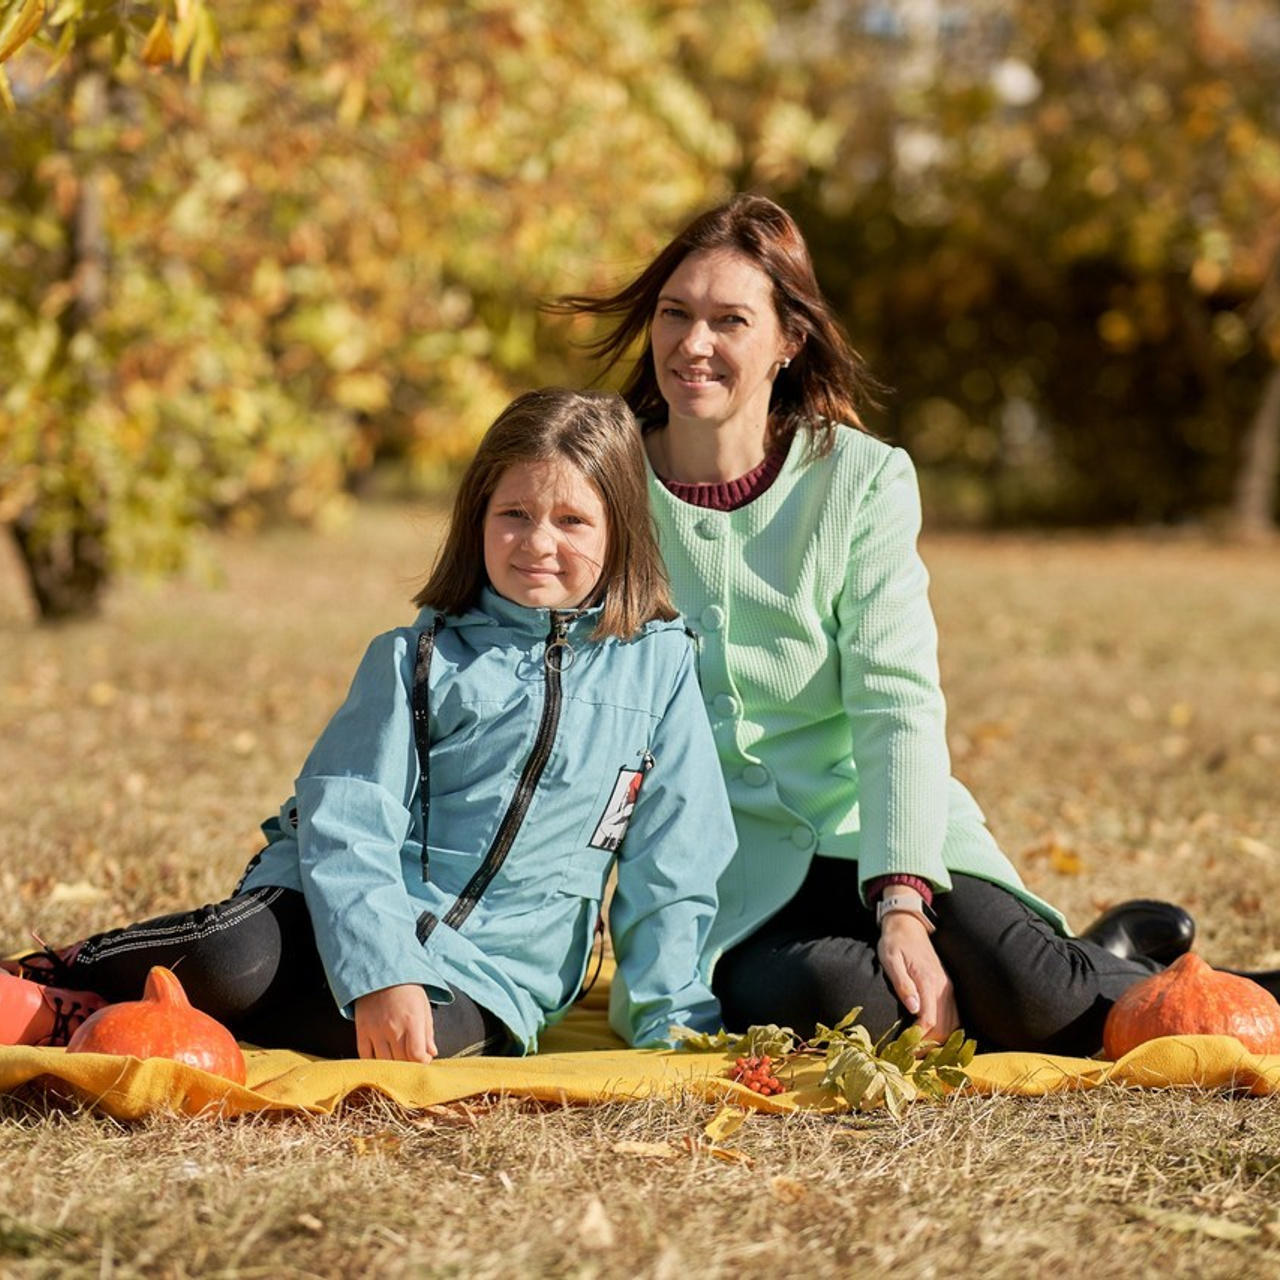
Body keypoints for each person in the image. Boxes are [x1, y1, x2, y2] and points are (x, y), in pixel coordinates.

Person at [554, 194, 1280, 1055]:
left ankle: (1110, 963)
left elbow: (895, 700)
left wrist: (901, 900)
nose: (693, 344)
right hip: (727, 879)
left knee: (1042, 1007)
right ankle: (1074, 955)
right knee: (848, 1004)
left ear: (790, 340)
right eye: (674, 314)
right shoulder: (602, 482)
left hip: (878, 822)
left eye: (729, 320)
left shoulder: (861, 481)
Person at [1, 388, 736, 1062]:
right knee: (233, 960)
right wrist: (384, 968)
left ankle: (122, 1014)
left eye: (573, 520)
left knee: (418, 1048)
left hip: (495, 971)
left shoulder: (661, 670)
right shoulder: (417, 656)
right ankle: (53, 984)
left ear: (621, 531)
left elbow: (676, 857)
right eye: (514, 514)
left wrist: (672, 1018)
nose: (539, 543)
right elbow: (348, 820)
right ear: (477, 519)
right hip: (336, 910)